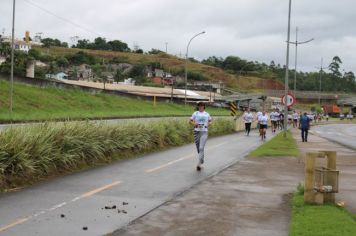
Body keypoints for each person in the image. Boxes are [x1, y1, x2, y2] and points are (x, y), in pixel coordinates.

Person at [190, 101, 212, 171]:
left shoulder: (207, 114)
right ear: (198, 107)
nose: (200, 107)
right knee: (198, 148)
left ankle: (199, 164)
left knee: (201, 147)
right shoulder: (195, 113)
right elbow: (190, 121)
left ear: (204, 107)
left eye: (202, 106)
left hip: (204, 132)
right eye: (199, 106)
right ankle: (202, 159)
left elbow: (210, 121)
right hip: (196, 132)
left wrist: (208, 124)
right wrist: (194, 124)